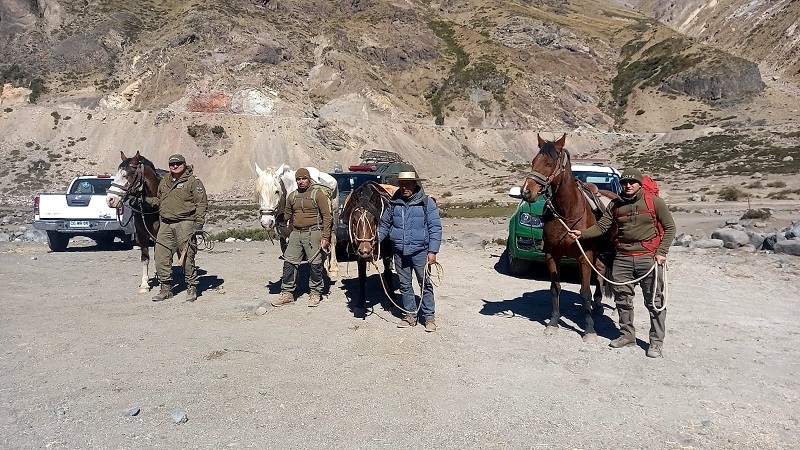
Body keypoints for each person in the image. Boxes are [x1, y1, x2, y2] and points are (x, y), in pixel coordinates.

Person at [567, 168, 676, 357]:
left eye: (632, 182)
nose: (628, 185)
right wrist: (582, 233)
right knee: (622, 300)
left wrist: (662, 252)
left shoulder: (654, 202)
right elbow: (602, 226)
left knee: (654, 301)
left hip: (648, 258)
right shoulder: (615, 205)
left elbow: (669, 227)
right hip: (623, 258)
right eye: (625, 183)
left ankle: (656, 342)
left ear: (639, 184)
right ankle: (627, 335)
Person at [378, 165, 442, 332]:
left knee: (425, 284)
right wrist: (376, 241)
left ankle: (429, 318)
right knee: (405, 285)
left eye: (408, 184)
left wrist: (433, 251)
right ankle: (410, 315)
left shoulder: (426, 203)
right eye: (402, 184)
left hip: (421, 251)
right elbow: (385, 224)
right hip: (399, 252)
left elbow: (435, 228)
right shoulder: (393, 203)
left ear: (415, 184)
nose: (405, 187)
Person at [269, 167, 333, 309]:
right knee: (289, 262)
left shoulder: (318, 195)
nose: (301, 181)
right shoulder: (292, 196)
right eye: (298, 179)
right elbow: (286, 215)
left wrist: (325, 236)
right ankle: (287, 293)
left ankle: (315, 292)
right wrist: (271, 217)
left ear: (309, 179)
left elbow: (327, 217)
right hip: (296, 233)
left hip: (314, 232)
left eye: (303, 179)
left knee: (315, 264)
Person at [148, 154, 208, 302]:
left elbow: (201, 203)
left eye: (178, 163)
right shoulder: (164, 182)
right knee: (161, 256)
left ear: (184, 164)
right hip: (166, 224)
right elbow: (159, 200)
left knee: (187, 257)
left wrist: (199, 223)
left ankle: (191, 287)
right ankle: (166, 289)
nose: (175, 166)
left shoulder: (193, 182)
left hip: (185, 223)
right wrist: (144, 200)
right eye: (172, 164)